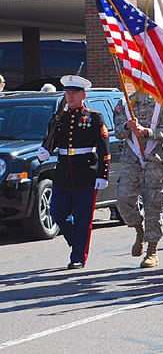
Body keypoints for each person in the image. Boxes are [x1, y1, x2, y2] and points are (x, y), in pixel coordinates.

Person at [36, 75, 110, 269]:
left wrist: (103, 174)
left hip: (85, 173)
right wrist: (44, 151)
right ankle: (77, 241)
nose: (70, 97)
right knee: (57, 212)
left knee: (83, 218)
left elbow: (104, 148)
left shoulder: (94, 117)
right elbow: (50, 142)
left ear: (83, 95)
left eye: (74, 93)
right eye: (68, 93)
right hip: (63, 173)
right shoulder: (59, 117)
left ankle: (77, 256)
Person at [113, 90, 163, 268]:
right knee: (123, 199)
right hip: (131, 159)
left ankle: (152, 250)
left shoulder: (161, 103)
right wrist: (126, 126)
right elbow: (116, 132)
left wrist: (147, 132)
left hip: (154, 159)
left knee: (154, 204)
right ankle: (139, 227)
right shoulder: (124, 104)